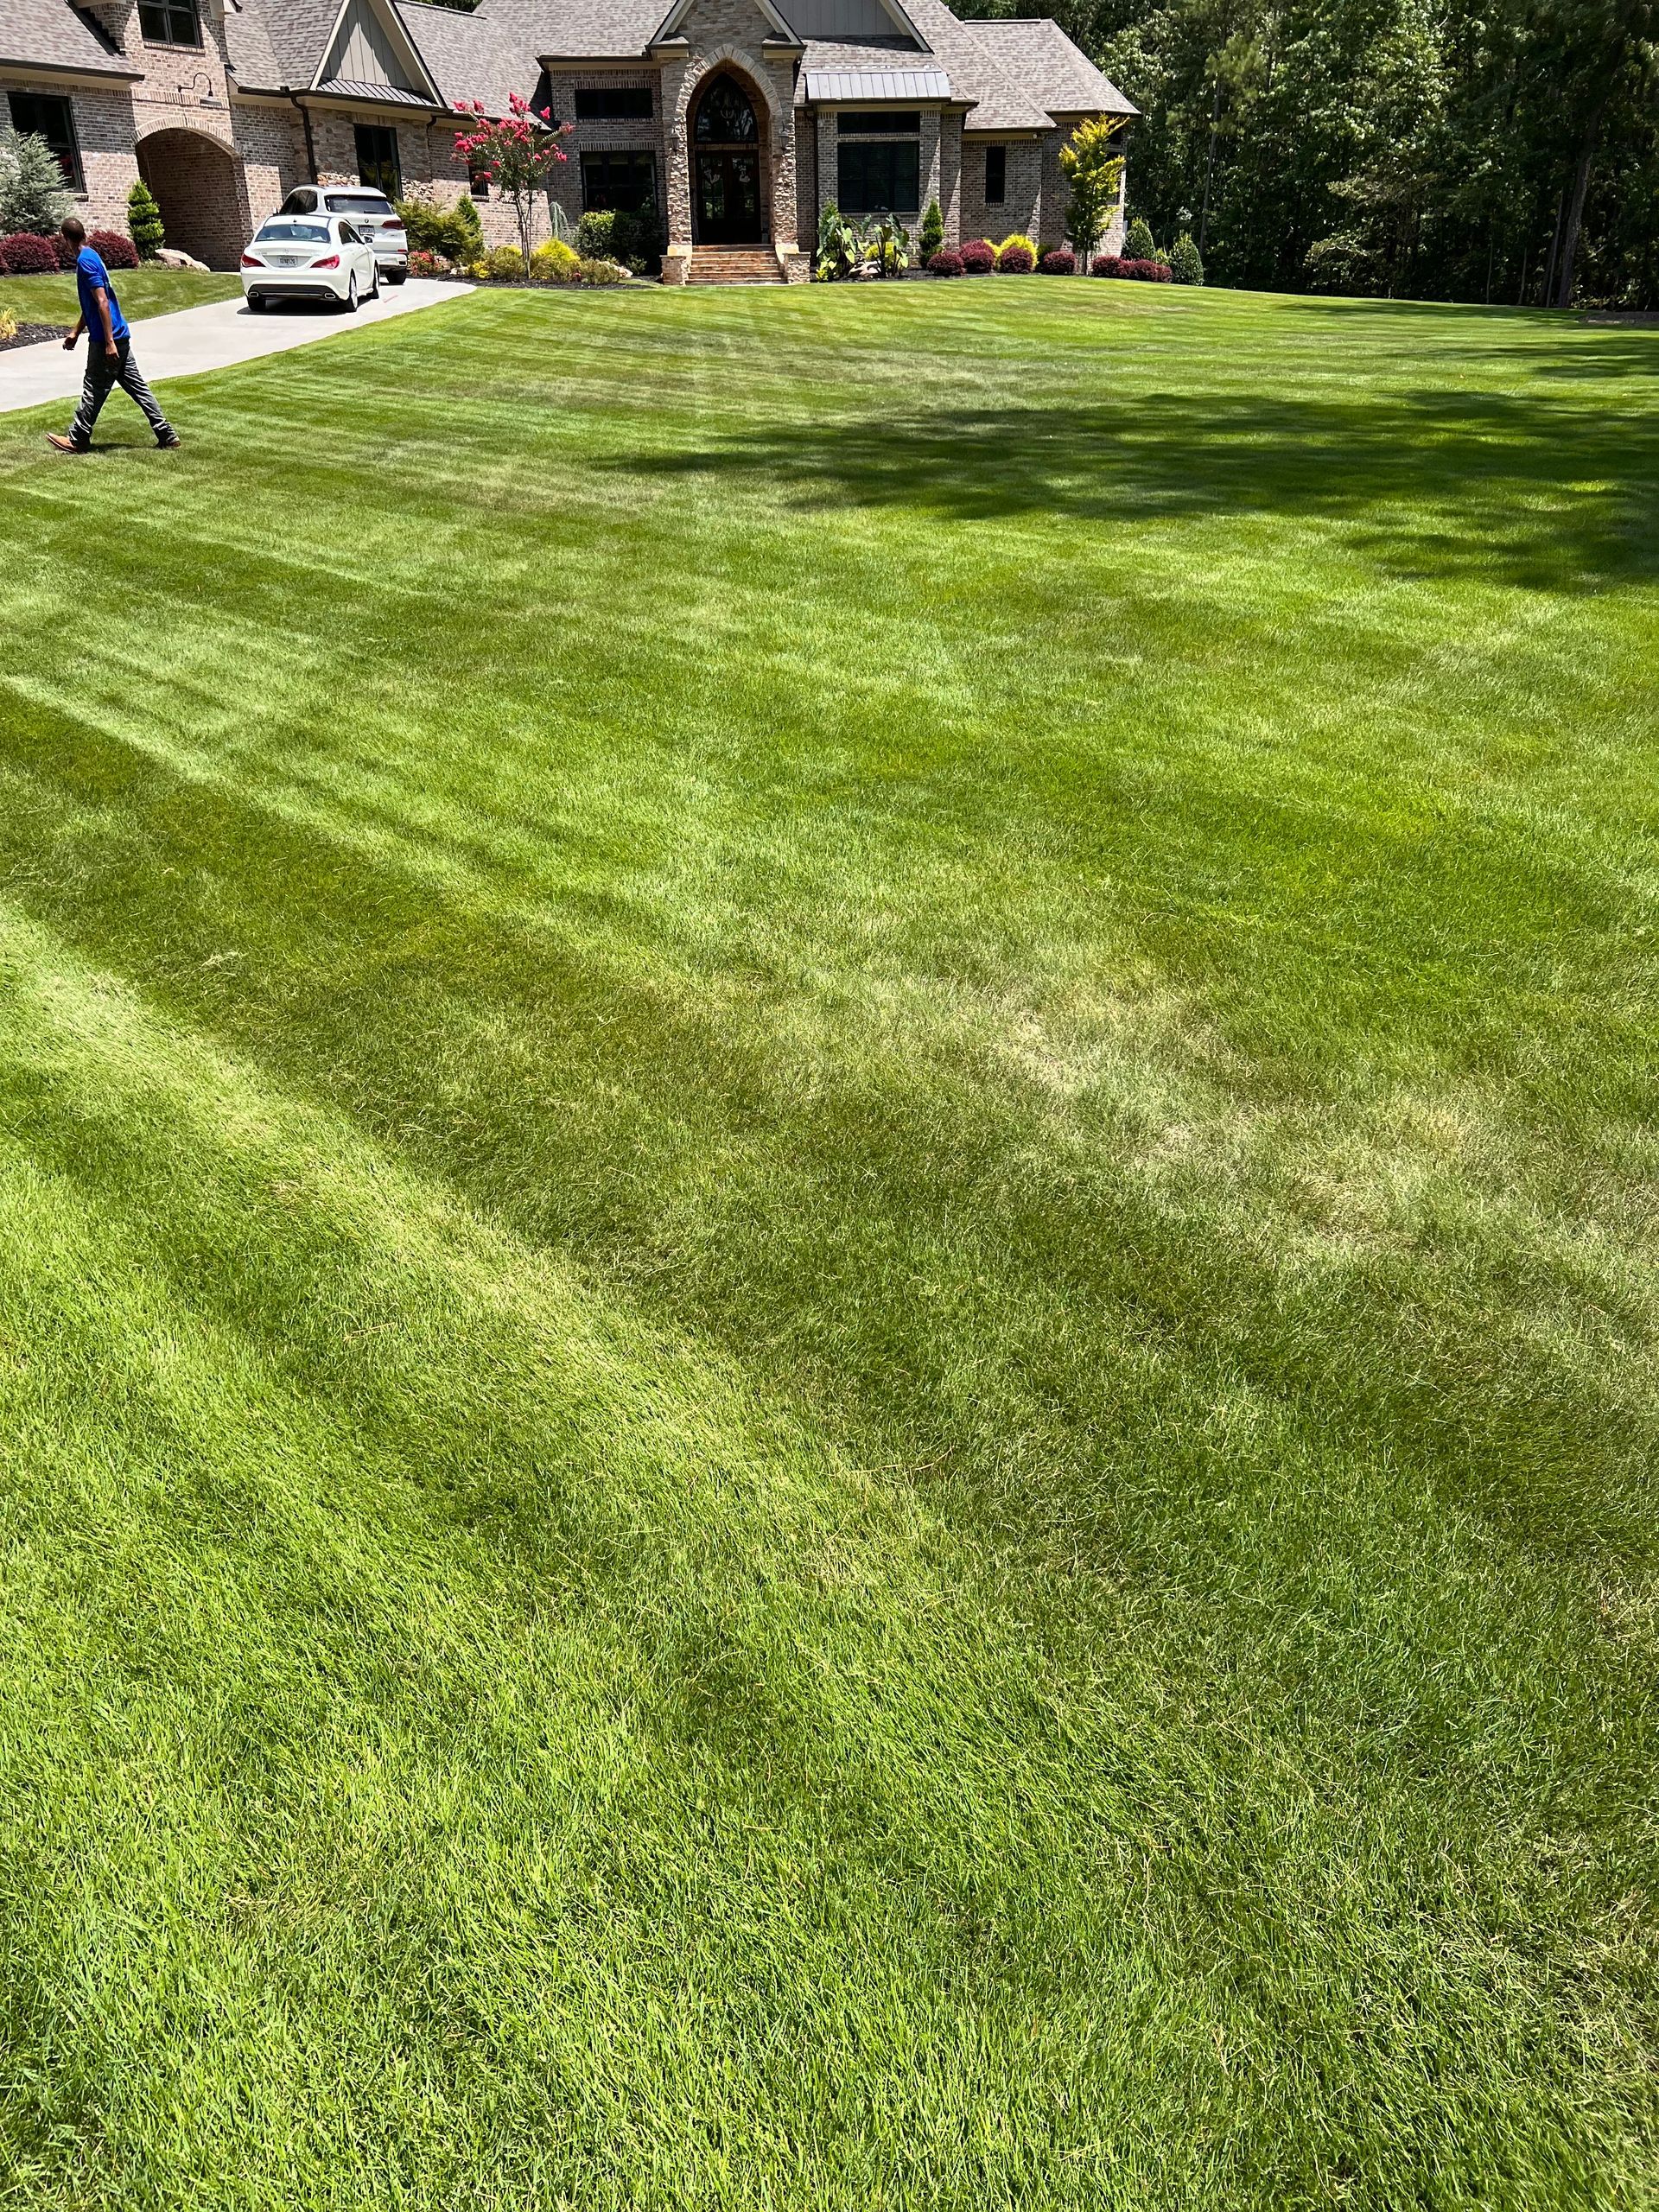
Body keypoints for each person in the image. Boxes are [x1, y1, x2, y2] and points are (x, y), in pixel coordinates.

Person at [46, 217, 181, 454]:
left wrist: (108, 343)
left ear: (66, 239)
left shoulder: (85, 263)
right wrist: (76, 332)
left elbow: (102, 302)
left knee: (93, 387)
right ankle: (167, 436)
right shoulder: (92, 255)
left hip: (108, 339)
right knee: (139, 388)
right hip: (121, 334)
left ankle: (77, 439)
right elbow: (92, 304)